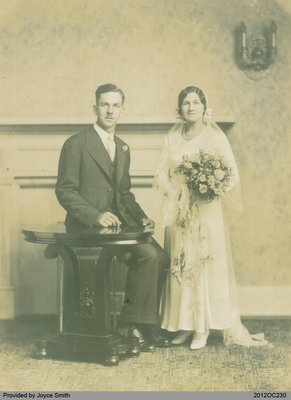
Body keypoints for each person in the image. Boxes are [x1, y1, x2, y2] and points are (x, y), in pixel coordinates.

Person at [55, 83, 170, 350]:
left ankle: (136, 321)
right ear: (94, 108)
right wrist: (95, 216)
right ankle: (132, 326)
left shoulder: (123, 147)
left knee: (160, 255)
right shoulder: (75, 144)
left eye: (115, 105)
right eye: (104, 104)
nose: (110, 110)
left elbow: (125, 194)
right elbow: (65, 191)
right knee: (148, 255)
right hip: (86, 225)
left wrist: (141, 217)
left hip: (118, 225)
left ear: (122, 111)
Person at [155, 85, 267, 349]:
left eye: (196, 102)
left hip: (206, 213)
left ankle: (202, 328)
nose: (190, 107)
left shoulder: (215, 137)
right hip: (179, 211)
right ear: (179, 108)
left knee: (203, 267)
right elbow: (161, 173)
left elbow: (231, 175)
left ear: (205, 107)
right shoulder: (172, 138)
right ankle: (184, 325)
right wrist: (176, 192)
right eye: (185, 102)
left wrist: (208, 190)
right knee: (180, 266)